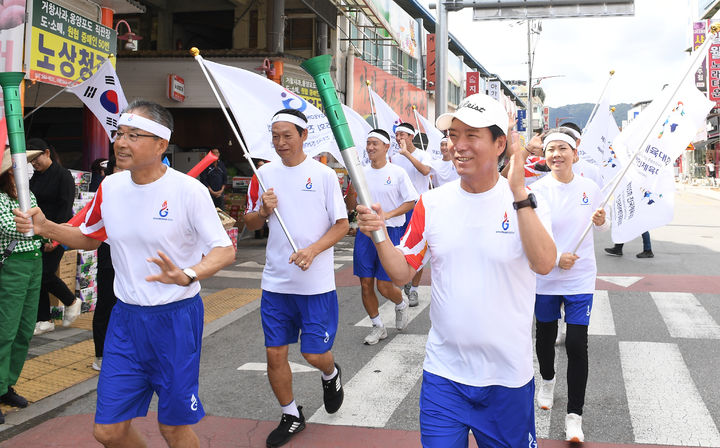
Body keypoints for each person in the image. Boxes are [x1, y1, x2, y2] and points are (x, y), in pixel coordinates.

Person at [14, 100, 236, 448]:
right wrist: (47, 227)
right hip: (126, 320)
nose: (121, 142)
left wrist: (189, 273)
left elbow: (224, 249)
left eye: (134, 135)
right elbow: (89, 237)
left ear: (161, 144)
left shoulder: (187, 191)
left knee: (173, 427)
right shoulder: (112, 187)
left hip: (174, 319)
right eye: (119, 133)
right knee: (108, 431)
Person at [357, 93, 556, 448]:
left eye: (470, 136)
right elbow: (402, 274)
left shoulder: (529, 201)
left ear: (499, 144)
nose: (456, 146)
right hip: (444, 376)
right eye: (453, 135)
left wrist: (519, 194)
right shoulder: (432, 203)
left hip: (506, 379)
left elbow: (544, 264)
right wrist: (380, 235)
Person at [243, 108, 348, 448]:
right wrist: (263, 211)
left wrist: (313, 250)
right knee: (275, 354)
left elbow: (342, 224)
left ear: (304, 136)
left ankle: (330, 374)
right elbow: (251, 223)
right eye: (275, 136)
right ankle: (291, 415)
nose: (280, 142)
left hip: (315, 284)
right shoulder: (263, 175)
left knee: (314, 354)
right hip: (276, 283)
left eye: (287, 135)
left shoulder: (323, 175)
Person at [530, 128, 608, 442]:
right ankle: (547, 380)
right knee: (545, 336)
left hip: (580, 275)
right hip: (547, 275)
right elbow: (532, 235)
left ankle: (575, 417)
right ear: (544, 156)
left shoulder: (591, 186)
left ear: (575, 154)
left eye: (563, 149)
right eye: (551, 150)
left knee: (577, 344)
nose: (556, 155)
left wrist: (602, 222)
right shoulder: (536, 190)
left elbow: (602, 227)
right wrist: (555, 257)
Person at [348, 129, 417, 345]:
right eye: (368, 143)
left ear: (386, 147)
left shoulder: (397, 173)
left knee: (385, 287)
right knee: (366, 284)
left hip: (391, 232)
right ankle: (378, 326)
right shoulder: (361, 173)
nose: (370, 148)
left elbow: (411, 201)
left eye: (375, 143)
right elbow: (352, 203)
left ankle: (401, 303)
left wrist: (387, 214)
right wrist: (352, 202)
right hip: (366, 234)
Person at [0, 148, 44, 425]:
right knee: (4, 332)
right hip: (12, 267)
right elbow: (10, 227)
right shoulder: (1, 199)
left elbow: (39, 224)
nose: (24, 173)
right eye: (17, 170)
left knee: (24, 330)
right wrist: (42, 227)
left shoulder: (28, 195)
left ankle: (5, 386)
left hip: (35, 263)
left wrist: (45, 231)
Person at [27, 138, 81, 335]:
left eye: (36, 158)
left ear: (47, 153)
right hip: (37, 234)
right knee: (37, 276)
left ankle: (72, 301)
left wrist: (55, 237)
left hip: (57, 232)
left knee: (45, 274)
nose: (34, 163)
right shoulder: (35, 177)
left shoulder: (63, 175)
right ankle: (44, 319)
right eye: (31, 160)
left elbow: (65, 209)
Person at [390, 122, 431, 307]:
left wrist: (407, 154)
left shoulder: (423, 155)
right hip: (401, 208)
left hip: (419, 208)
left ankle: (414, 289)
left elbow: (425, 171)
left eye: (402, 135)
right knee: (400, 248)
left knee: (418, 250)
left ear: (411, 136)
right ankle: (403, 279)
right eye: (397, 135)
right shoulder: (393, 157)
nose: (399, 138)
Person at [91, 157, 121, 371]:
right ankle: (100, 354)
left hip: (136, 262)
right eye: (118, 166)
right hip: (109, 258)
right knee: (106, 305)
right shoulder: (106, 190)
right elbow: (89, 228)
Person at [560, 122, 603, 188]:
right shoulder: (551, 167)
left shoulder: (592, 170)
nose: (564, 142)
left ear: (578, 142)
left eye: (569, 138)